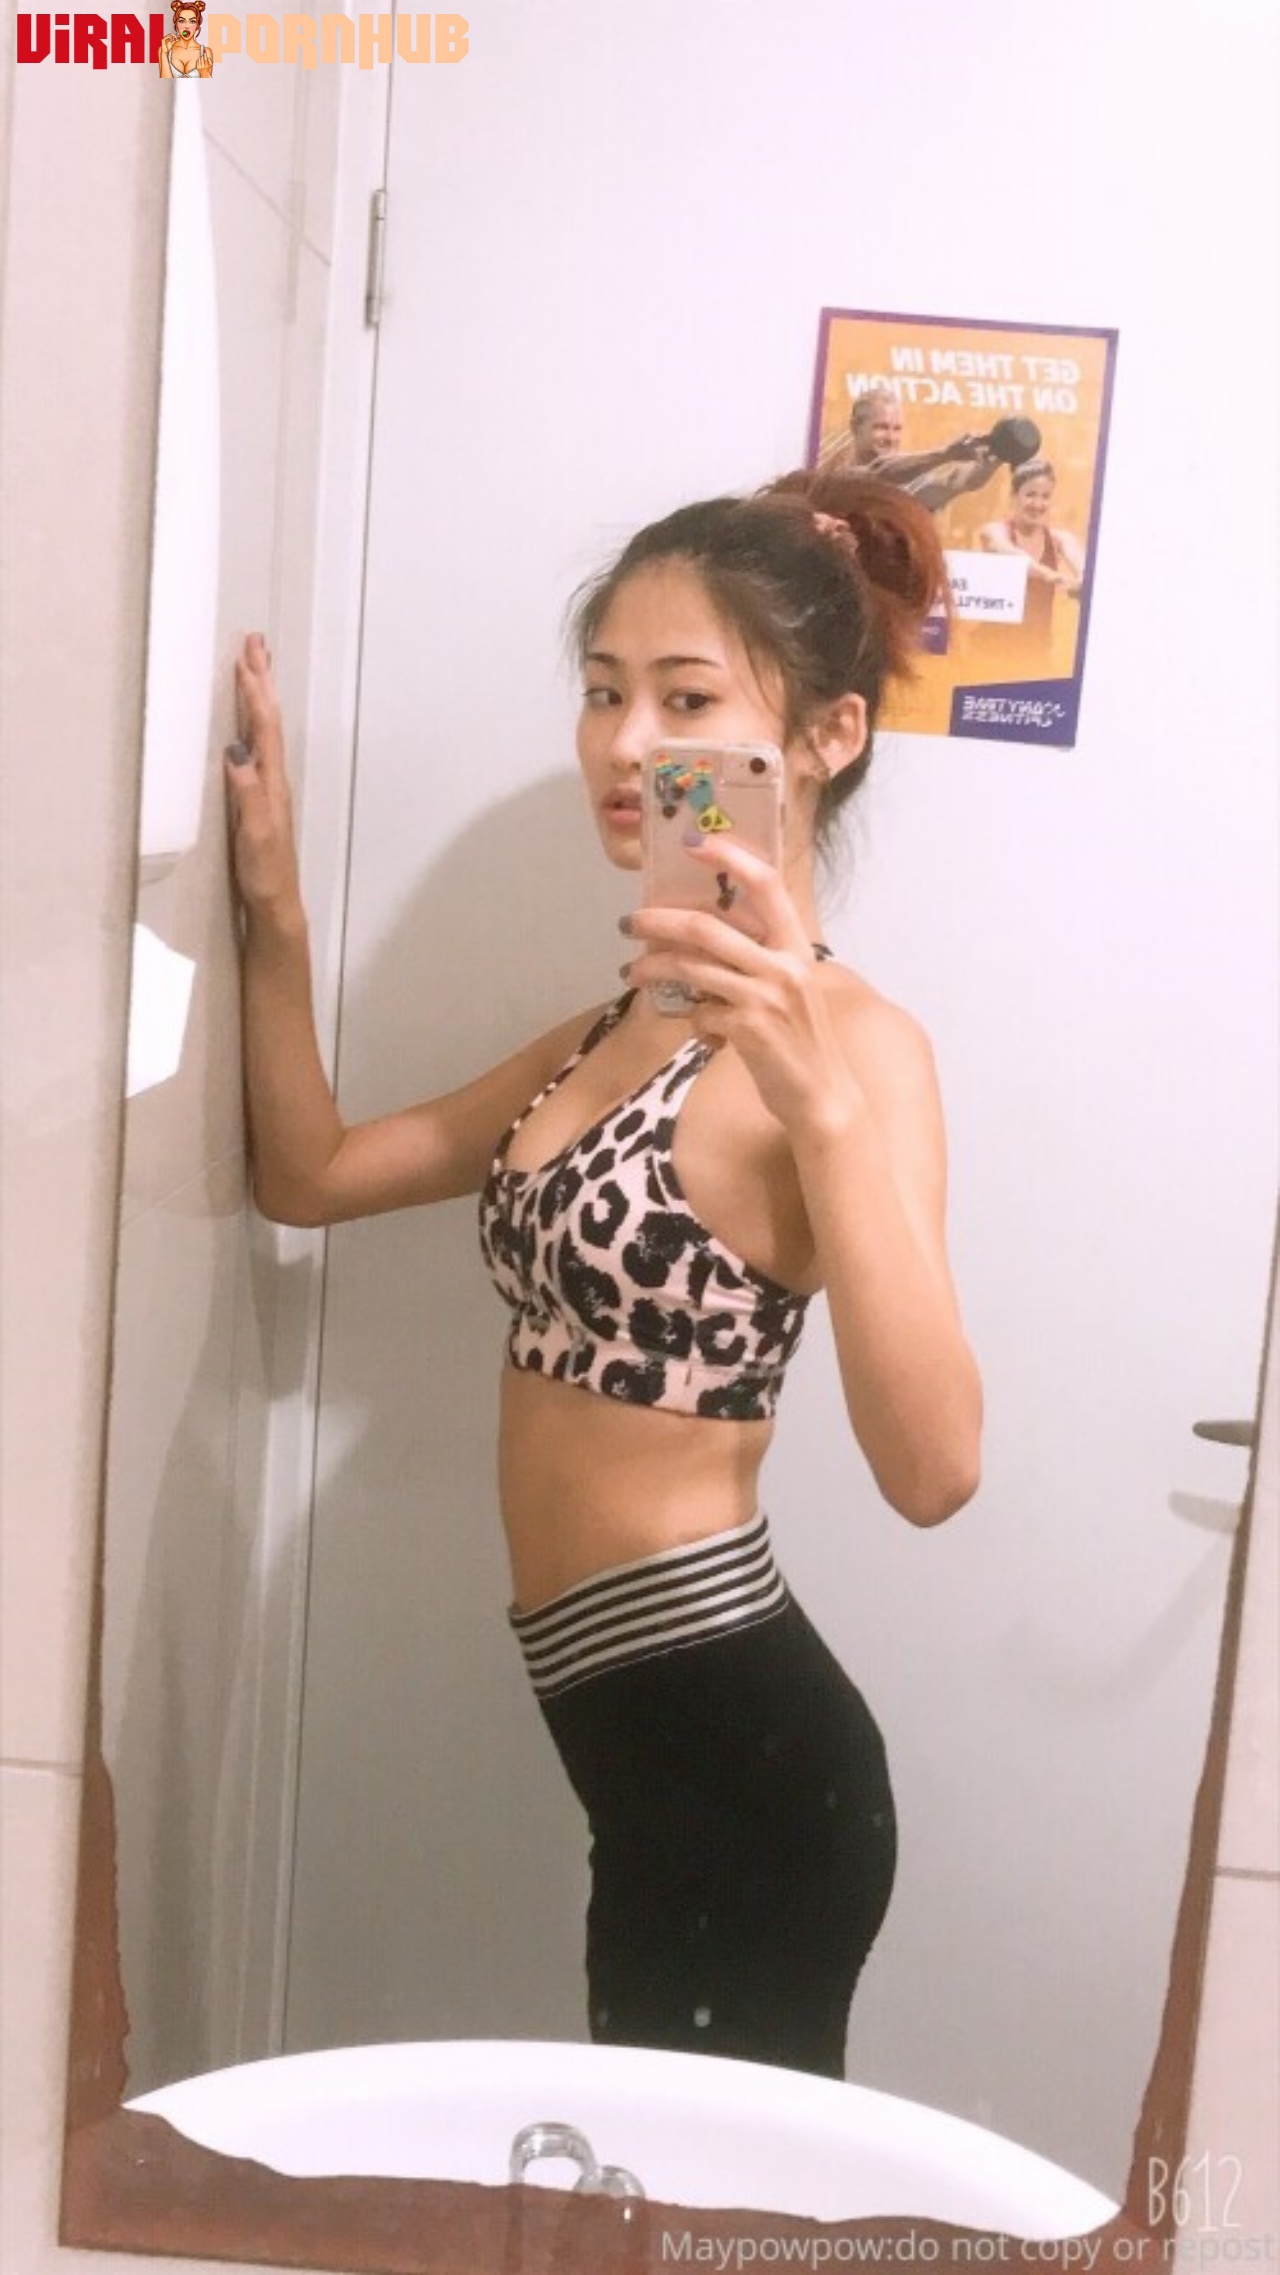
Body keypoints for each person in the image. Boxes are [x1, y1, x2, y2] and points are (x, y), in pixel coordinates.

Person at [225, 468, 983, 2081]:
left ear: (829, 736)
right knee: (656, 2178)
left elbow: (935, 1470)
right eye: (602, 692)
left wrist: (820, 1107)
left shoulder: (862, 1051)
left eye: (687, 700)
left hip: (744, 1756)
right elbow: (313, 1173)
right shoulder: (613, 1029)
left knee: (702, 2195)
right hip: (638, 1747)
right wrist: (271, 903)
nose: (628, 745)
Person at [821, 384, 1001, 514]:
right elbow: (879, 472)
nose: (891, 438)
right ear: (855, 427)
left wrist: (992, 459)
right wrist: (946, 454)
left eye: (897, 429)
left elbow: (954, 483)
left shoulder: (908, 479)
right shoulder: (834, 469)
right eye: (881, 427)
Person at [978, 459, 1085, 622]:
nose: (1037, 504)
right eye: (1030, 495)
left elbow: (1085, 570)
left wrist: (1083, 584)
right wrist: (1050, 576)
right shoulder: (994, 531)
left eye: (1045, 496)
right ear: (1014, 496)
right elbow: (1012, 556)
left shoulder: (1062, 539)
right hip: (992, 638)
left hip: (1039, 638)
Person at [159, 0, 213, 75]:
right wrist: (164, 53)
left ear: (197, 25)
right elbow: (165, 80)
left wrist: (204, 72)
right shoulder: (165, 49)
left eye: (192, 21)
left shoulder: (206, 52)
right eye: (182, 21)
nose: (187, 26)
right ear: (176, 23)